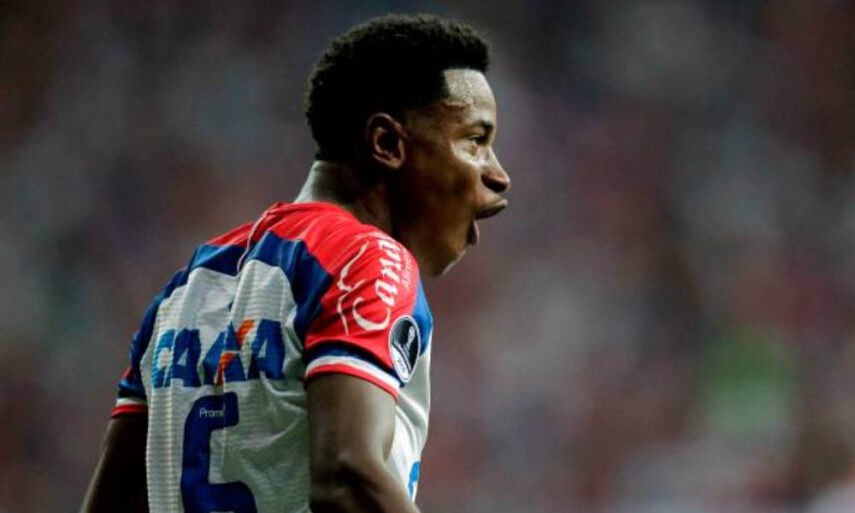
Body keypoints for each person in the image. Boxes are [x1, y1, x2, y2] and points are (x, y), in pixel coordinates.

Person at [80, 13, 510, 513]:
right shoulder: (368, 259)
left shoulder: (185, 290)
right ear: (387, 144)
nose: (499, 175)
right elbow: (347, 477)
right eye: (475, 141)